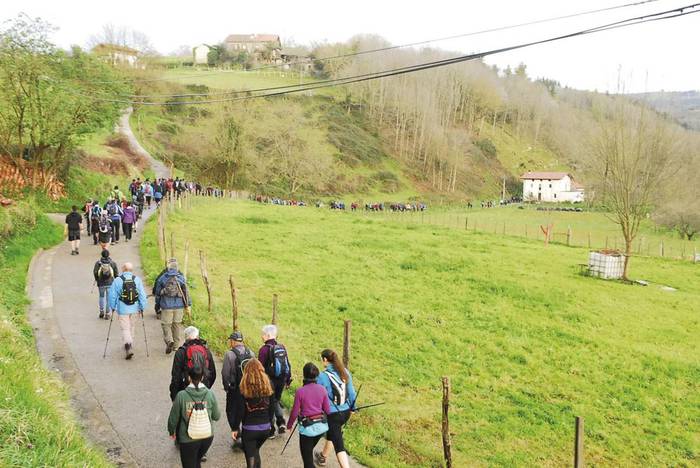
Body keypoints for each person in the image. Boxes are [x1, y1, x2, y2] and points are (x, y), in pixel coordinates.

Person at [168, 365, 221, 468]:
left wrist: (171, 431)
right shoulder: (210, 394)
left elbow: (173, 419)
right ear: (202, 378)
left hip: (188, 439)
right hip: (207, 437)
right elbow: (217, 416)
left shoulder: (181, 395)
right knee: (197, 461)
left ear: (189, 378)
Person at [314, 349, 357, 468]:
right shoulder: (345, 372)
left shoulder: (322, 376)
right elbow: (352, 393)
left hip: (333, 414)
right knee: (334, 433)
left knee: (339, 445)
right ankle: (323, 457)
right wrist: (353, 408)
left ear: (325, 360)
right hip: (346, 411)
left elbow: (316, 394)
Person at [232, 358, 274, 468]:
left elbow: (240, 411)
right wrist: (270, 424)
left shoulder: (243, 387)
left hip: (249, 429)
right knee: (256, 451)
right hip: (265, 428)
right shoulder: (268, 385)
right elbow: (272, 408)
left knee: (250, 456)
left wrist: (235, 428)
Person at [288, 363, 331, 468]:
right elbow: (328, 410)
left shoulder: (300, 391)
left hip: (307, 430)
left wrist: (289, 425)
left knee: (307, 462)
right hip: (321, 429)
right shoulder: (322, 389)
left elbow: (294, 411)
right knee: (308, 454)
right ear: (316, 375)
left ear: (304, 375)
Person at [107, 263, 148, 360]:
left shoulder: (117, 280)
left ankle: (128, 344)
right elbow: (142, 294)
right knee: (132, 326)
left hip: (122, 308)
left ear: (123, 269)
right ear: (131, 270)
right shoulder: (137, 280)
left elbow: (112, 295)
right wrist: (142, 307)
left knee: (125, 328)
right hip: (135, 308)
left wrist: (113, 307)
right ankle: (130, 342)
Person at [257, 324, 292, 436]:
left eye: (263, 335)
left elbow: (260, 368)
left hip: (269, 381)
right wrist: (287, 380)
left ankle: (270, 430)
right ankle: (281, 422)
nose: (262, 337)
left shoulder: (263, 350)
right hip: (281, 380)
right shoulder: (282, 347)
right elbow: (287, 364)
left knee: (268, 403)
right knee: (276, 400)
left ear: (268, 335)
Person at [222, 330, 254, 449]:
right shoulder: (251, 353)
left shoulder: (229, 354)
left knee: (231, 410)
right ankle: (245, 434)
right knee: (246, 410)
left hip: (235, 389)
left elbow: (225, 373)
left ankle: (236, 432)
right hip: (249, 388)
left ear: (233, 341)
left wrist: (227, 387)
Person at [154, 259, 191, 354]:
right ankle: (176, 346)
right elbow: (186, 293)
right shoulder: (181, 278)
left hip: (166, 306)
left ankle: (169, 341)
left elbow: (158, 293)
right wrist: (188, 305)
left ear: (168, 267)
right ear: (177, 268)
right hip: (179, 306)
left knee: (166, 325)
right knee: (176, 325)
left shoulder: (162, 278)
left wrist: (157, 306)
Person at [170, 326, 216, 401]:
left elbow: (176, 377)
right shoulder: (206, 351)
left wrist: (174, 396)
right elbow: (213, 374)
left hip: (186, 392)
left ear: (185, 338)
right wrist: (206, 387)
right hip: (203, 392)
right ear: (198, 337)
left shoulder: (181, 352)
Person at [93, 249, 118, 319]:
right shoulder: (112, 263)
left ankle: (101, 312)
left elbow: (95, 272)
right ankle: (107, 314)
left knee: (101, 297)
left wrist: (97, 279)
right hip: (110, 283)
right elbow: (116, 274)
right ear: (109, 255)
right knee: (108, 298)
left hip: (101, 283)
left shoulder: (98, 263)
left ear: (101, 255)